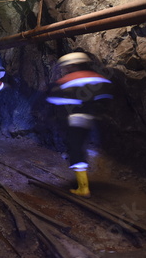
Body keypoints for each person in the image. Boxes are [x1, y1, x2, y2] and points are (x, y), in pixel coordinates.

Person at [46, 52, 113, 198]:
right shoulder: (97, 78)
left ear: (72, 65)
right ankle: (85, 181)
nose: (65, 69)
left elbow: (54, 98)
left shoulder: (69, 80)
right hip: (92, 119)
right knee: (81, 147)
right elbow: (107, 95)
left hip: (75, 119)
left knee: (75, 149)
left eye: (66, 67)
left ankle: (83, 188)